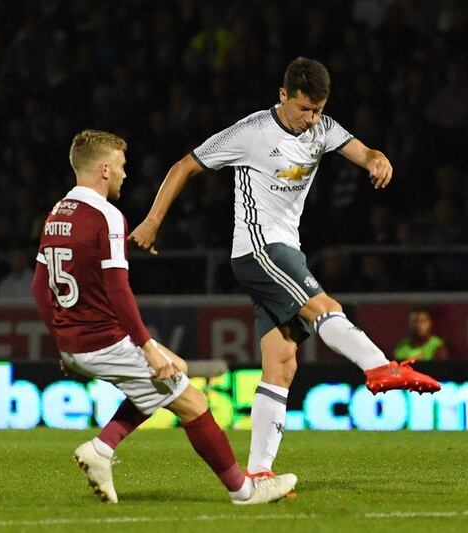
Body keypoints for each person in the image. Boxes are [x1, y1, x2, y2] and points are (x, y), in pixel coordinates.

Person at [129, 57, 441, 479]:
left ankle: (258, 473)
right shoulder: (252, 132)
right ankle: (377, 366)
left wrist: (376, 158)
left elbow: (361, 150)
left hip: (284, 250)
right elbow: (184, 165)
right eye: (303, 110)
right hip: (258, 248)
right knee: (323, 305)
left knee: (281, 361)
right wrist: (151, 221)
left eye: (317, 110)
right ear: (282, 96)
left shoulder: (323, 128)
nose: (310, 120)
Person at [31, 130, 295, 505]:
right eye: (121, 166)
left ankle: (103, 448)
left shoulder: (57, 213)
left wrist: (62, 342)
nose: (125, 174)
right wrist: (146, 347)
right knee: (193, 403)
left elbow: (40, 288)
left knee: (177, 367)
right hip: (103, 340)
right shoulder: (106, 216)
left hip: (76, 344)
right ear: (104, 169)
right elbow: (119, 292)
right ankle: (244, 490)